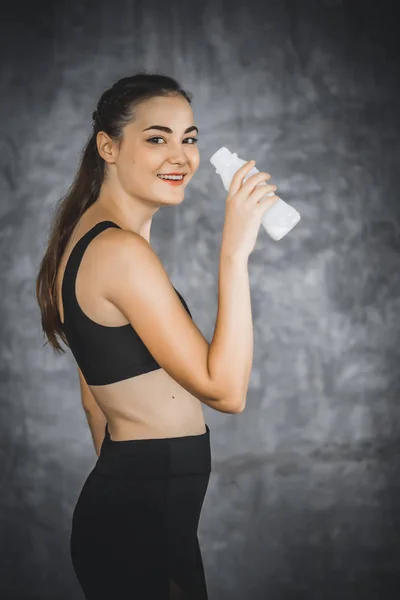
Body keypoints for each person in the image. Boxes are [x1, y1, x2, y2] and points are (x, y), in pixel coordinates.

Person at [35, 72, 279, 599]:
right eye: (156, 138)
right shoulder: (120, 253)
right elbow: (227, 391)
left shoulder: (94, 238)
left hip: (142, 512)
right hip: (139, 518)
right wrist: (235, 254)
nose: (181, 156)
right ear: (109, 146)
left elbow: (93, 399)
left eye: (188, 138)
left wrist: (137, 486)